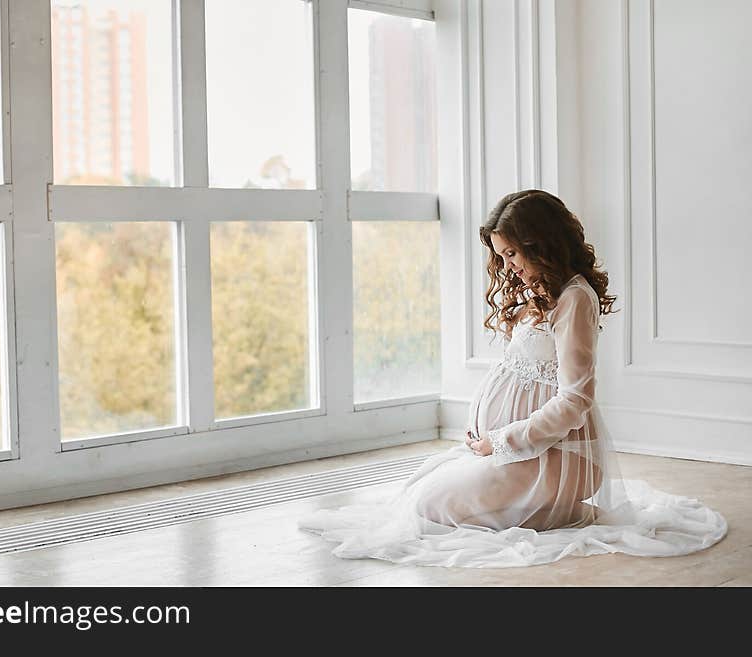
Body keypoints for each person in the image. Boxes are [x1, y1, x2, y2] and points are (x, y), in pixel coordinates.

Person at [298, 190, 727, 568]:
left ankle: (558, 510)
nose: (508, 266)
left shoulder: (575, 298)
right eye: (502, 256)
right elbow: (518, 373)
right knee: (422, 490)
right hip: (523, 451)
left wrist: (501, 440)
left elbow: (574, 400)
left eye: (513, 254)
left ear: (542, 244)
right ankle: (532, 507)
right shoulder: (541, 290)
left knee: (432, 507)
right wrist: (483, 424)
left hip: (560, 458)